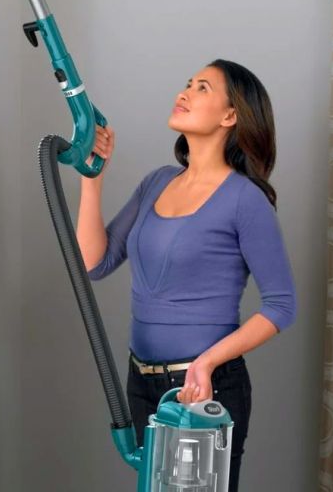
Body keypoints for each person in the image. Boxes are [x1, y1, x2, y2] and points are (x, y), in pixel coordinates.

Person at [77, 59, 297, 491]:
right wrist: (92, 180)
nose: (184, 92)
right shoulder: (157, 182)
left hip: (202, 388)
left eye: (201, 88)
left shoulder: (244, 200)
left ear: (230, 116)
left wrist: (209, 362)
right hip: (141, 381)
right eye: (186, 84)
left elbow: (282, 306)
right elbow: (95, 262)